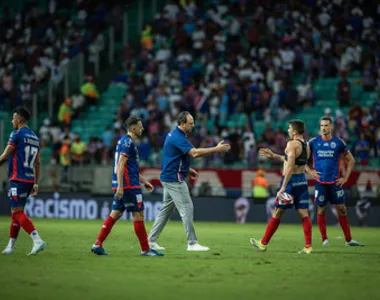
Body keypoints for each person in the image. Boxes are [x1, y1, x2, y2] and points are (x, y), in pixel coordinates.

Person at [148, 111, 231, 252]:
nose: (193, 125)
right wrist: (216, 149)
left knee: (165, 211)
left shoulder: (174, 135)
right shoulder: (178, 137)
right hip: (175, 179)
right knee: (187, 208)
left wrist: (187, 169)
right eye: (190, 123)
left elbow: (173, 157)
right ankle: (192, 243)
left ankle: (150, 240)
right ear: (182, 123)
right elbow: (195, 153)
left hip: (169, 176)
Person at [91, 117, 164, 256]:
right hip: (128, 185)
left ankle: (97, 244)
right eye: (140, 126)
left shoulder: (123, 141)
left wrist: (144, 181)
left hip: (127, 183)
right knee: (139, 214)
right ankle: (145, 249)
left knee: (115, 213)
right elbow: (121, 165)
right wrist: (120, 186)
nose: (142, 128)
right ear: (133, 128)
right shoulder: (128, 143)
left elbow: (131, 167)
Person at [250, 119, 313, 254]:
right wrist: (274, 155)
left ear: (295, 131)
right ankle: (308, 246)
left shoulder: (291, 144)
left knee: (277, 212)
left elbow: (289, 166)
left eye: (290, 128)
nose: (288, 130)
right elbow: (294, 161)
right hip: (302, 181)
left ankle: (263, 243)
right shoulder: (306, 145)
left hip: (290, 182)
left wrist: (283, 186)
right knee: (304, 214)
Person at [306, 117, 364, 246]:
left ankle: (348, 240)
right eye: (321, 126)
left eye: (326, 125)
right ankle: (324, 239)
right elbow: (302, 159)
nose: (324, 128)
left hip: (335, 182)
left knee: (342, 209)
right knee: (321, 210)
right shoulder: (313, 142)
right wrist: (310, 172)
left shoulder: (339, 143)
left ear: (331, 127)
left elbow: (352, 160)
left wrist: (346, 178)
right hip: (320, 182)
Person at [0, 107, 46, 255]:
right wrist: (36, 183)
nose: (12, 121)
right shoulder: (35, 137)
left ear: (19, 119)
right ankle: (10, 246)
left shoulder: (17, 134)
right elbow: (37, 163)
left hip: (17, 179)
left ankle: (37, 240)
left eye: (14, 118)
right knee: (16, 214)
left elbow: (6, 155)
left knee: (17, 213)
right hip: (29, 180)